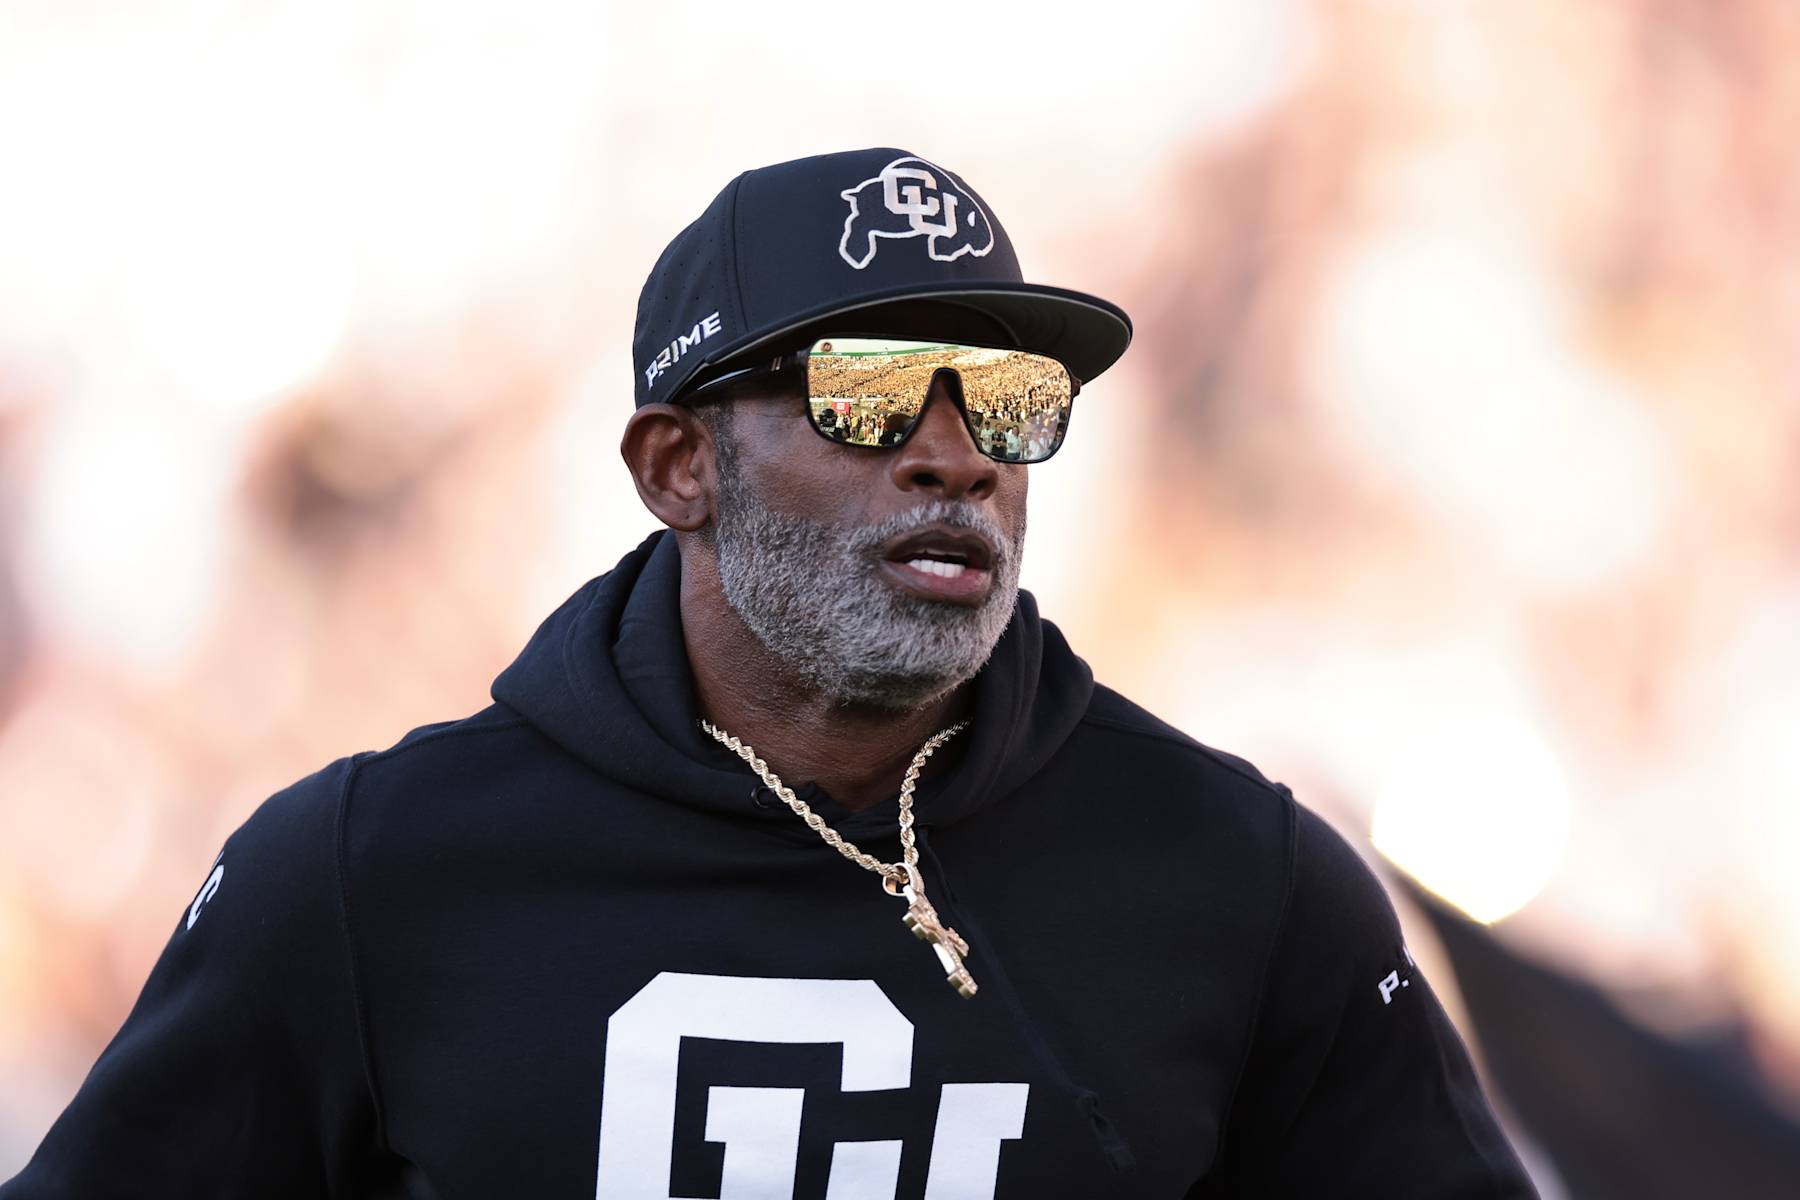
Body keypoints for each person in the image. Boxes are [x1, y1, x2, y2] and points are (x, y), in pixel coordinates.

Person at [0, 147, 1536, 1197]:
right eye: (868, 392)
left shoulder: (1242, 886)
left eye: (1006, 398)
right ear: (680, 467)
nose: (953, 454)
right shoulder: (363, 878)